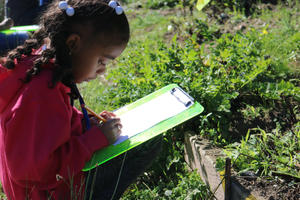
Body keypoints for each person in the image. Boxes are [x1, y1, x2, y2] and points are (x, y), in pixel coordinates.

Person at [0, 0, 162, 199]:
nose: (103, 69)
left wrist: (86, 124)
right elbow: (34, 172)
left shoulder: (44, 71)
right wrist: (93, 140)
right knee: (148, 143)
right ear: (73, 44)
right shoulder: (41, 95)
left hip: (52, 188)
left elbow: (53, 125)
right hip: (50, 193)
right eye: (102, 61)